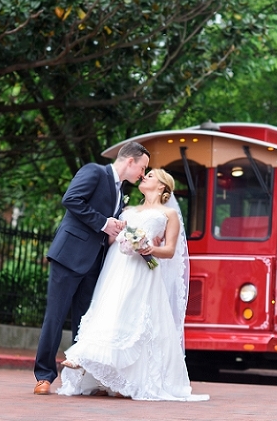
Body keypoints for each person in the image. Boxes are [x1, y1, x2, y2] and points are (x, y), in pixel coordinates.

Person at [57, 169, 209, 402]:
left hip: (143, 271)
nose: (144, 177)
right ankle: (87, 360)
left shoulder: (169, 214)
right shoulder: (128, 210)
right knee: (108, 310)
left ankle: (114, 373)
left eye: (151, 176)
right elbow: (110, 238)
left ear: (162, 187)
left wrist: (149, 249)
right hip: (117, 266)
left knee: (132, 318)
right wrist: (121, 237)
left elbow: (169, 251)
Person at [33, 142, 150, 395]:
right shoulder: (95, 171)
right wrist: (104, 222)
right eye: (143, 168)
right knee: (55, 317)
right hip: (69, 256)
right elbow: (71, 199)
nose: (142, 174)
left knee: (84, 323)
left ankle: (78, 380)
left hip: (95, 262)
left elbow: (107, 229)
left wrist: (122, 233)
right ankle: (44, 376)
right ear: (130, 161)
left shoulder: (121, 191)